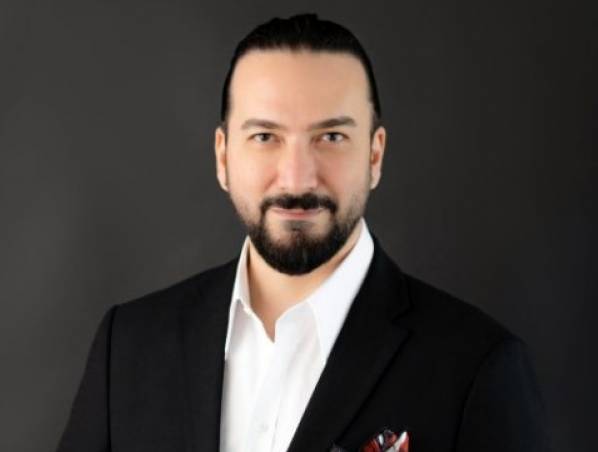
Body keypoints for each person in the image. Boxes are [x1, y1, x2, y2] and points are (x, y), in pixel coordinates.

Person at [57, 13, 551, 452]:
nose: (296, 179)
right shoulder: (129, 346)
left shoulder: (479, 369)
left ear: (375, 155)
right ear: (223, 156)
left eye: (331, 137)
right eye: (265, 137)